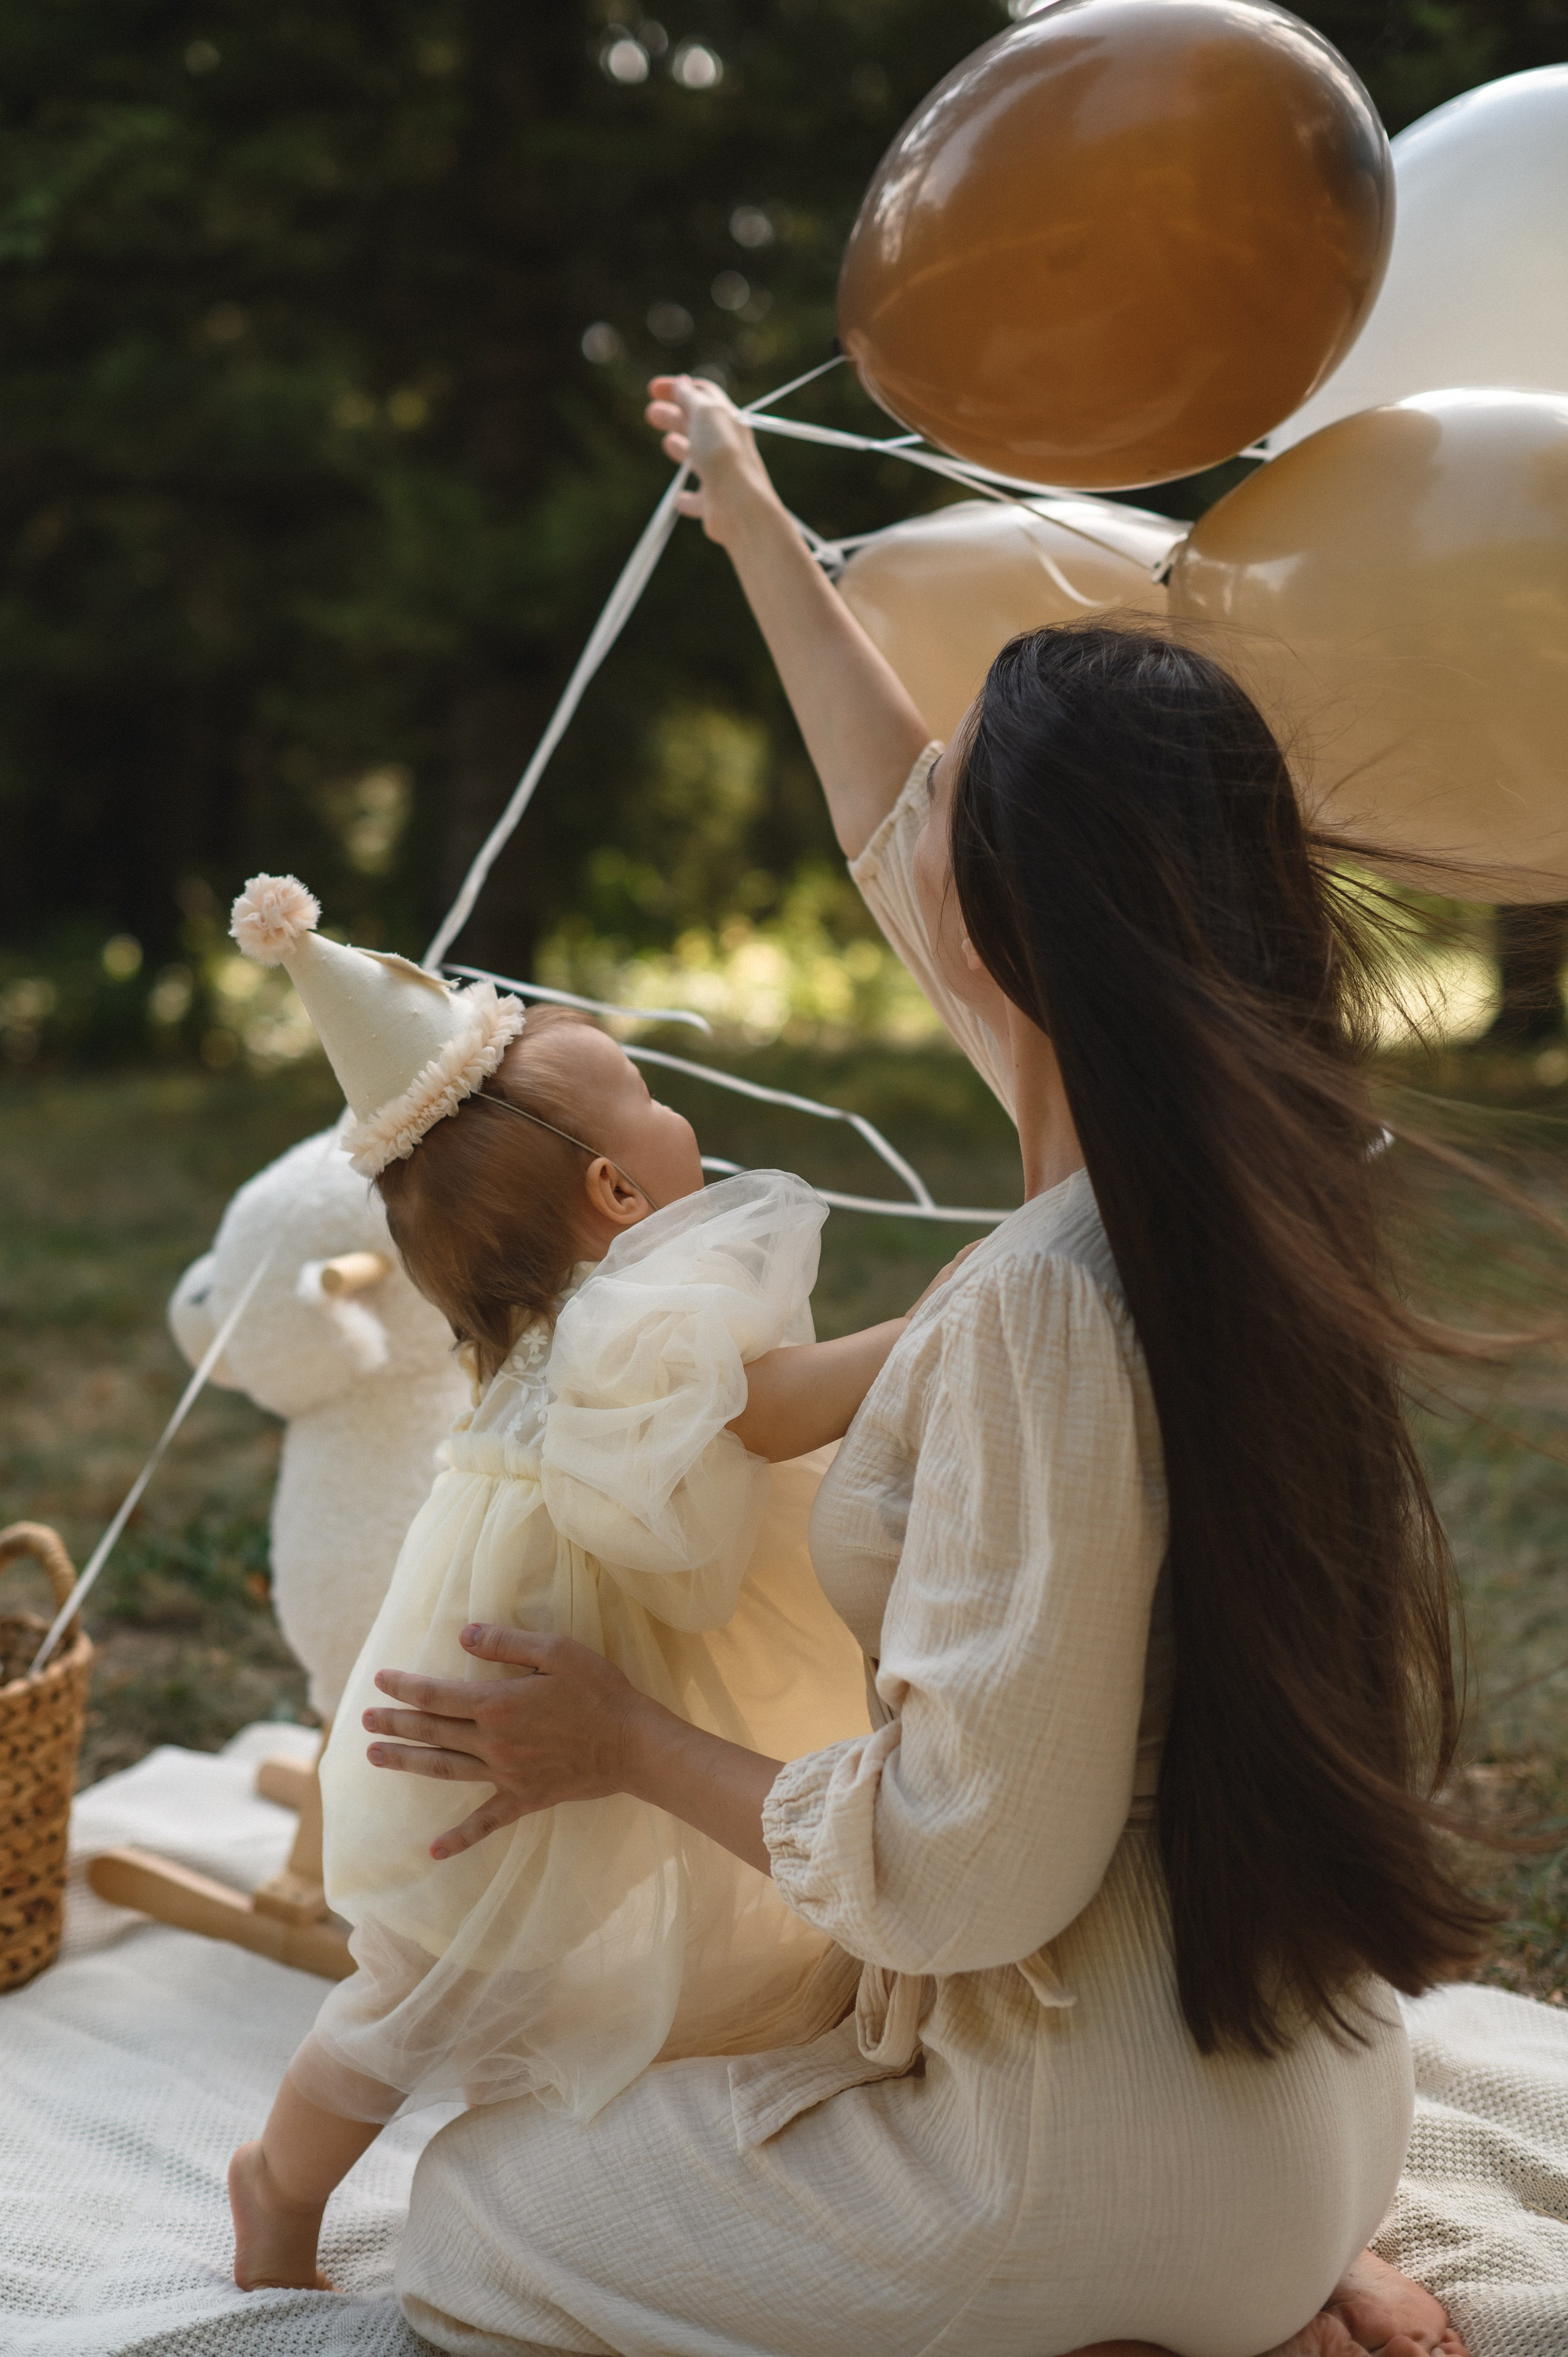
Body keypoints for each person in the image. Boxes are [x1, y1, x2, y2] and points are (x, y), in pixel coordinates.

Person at [356, 379, 1482, 2357]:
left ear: (1020, 928)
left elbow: (962, 1869)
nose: (922, 804)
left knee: (464, 2211)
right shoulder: (1246, 1156)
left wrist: (618, 1739)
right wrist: (760, 524)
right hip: (1316, 2094)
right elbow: (906, 827)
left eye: (963, 790)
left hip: (1090, 2151)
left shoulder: (1052, 1296)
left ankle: (1144, 2308)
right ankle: (1246, 2267)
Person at [220, 878, 928, 2292]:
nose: (678, 1115)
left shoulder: (571, 1320)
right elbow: (776, 1407)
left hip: (555, 1671)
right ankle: (276, 2185)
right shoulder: (634, 1322)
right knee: (430, 1974)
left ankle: (319, 2168)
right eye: (650, 1092)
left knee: (489, 1957)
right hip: (492, 1708)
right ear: (615, 1190)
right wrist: (941, 1320)